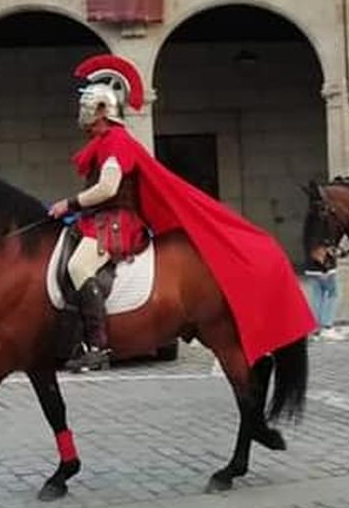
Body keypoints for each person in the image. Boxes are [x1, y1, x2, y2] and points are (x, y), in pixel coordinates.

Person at [48, 53, 314, 370]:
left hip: (115, 223)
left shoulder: (115, 142)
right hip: (100, 220)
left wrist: (70, 202)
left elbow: (108, 187)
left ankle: (97, 345)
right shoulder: (104, 141)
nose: (82, 114)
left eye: (88, 107)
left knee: (79, 267)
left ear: (103, 110)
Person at [300, 245, 339, 336]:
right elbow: (320, 251)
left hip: (312, 268)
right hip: (324, 269)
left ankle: (316, 325)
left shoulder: (309, 232)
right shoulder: (324, 234)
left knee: (317, 296)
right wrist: (324, 268)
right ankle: (326, 325)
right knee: (332, 294)